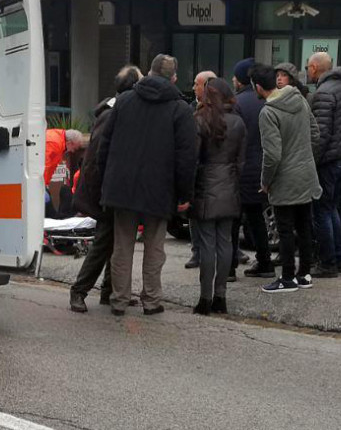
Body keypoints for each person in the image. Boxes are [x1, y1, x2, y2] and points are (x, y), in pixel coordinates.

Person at [96, 54, 197, 316]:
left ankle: (119, 299)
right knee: (154, 247)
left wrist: (105, 180)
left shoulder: (124, 101)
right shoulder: (180, 109)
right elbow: (187, 156)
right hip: (160, 188)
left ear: (149, 72)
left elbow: (104, 145)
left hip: (122, 186)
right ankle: (152, 300)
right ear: (174, 78)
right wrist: (185, 193)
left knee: (122, 246)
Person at [70, 65, 143, 313]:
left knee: (117, 242)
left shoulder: (116, 110)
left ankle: (109, 291)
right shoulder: (112, 114)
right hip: (106, 191)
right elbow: (97, 160)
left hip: (112, 189)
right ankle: (78, 290)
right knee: (104, 243)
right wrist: (103, 194)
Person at [252, 65, 322, 293]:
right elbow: (315, 133)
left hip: (284, 177)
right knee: (304, 226)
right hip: (307, 173)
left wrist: (265, 181)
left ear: (258, 87)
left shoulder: (268, 112)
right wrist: (304, 156)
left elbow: (272, 154)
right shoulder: (300, 99)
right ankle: (304, 274)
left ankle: (288, 277)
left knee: (284, 228)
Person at [190, 78, 246, 315]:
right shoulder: (238, 123)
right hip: (230, 185)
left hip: (205, 186)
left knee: (206, 245)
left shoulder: (200, 120)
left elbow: (193, 159)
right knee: (226, 243)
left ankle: (205, 297)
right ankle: (220, 296)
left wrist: (188, 190)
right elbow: (241, 161)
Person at [305, 52, 341, 277]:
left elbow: (321, 132)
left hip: (329, 160)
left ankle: (327, 262)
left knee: (321, 212)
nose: (307, 71)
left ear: (316, 68)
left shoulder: (324, 92)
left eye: (308, 67)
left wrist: (312, 161)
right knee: (332, 209)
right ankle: (339, 258)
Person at [234, 61, 275, 279]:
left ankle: (229, 267)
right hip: (262, 169)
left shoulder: (238, 102)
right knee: (256, 218)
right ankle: (265, 261)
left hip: (241, 169)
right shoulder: (268, 103)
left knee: (232, 219)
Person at [185, 69, 219, 270]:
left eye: (196, 84)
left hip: (209, 171)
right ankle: (197, 251)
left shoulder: (220, 114)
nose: (193, 88)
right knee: (194, 215)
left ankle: (204, 253)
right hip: (203, 172)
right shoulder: (193, 109)